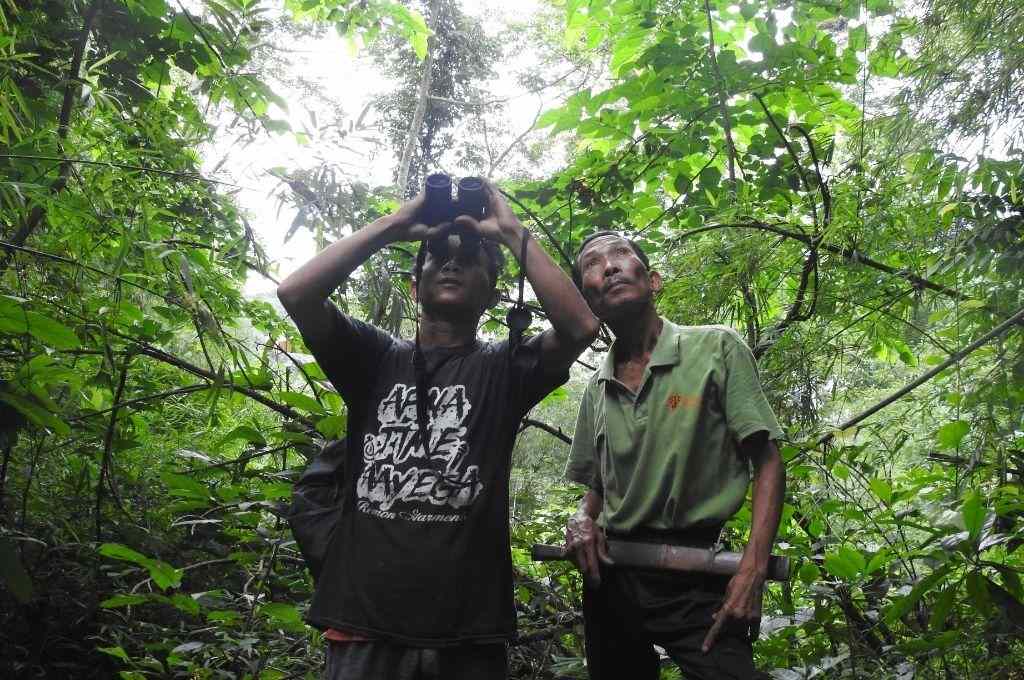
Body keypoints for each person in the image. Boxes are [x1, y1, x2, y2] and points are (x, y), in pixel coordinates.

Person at [277, 180, 598, 680]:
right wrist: (396, 226)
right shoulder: (372, 358)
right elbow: (296, 292)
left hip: (467, 627)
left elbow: (580, 327)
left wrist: (512, 232)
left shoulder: (504, 370)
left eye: (470, 259)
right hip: (364, 621)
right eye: (436, 258)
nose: (451, 264)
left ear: (493, 294)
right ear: (414, 286)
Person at [562, 231, 786, 680]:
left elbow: (767, 462)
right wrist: (582, 520)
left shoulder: (715, 349)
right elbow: (597, 491)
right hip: (612, 576)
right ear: (589, 303)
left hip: (699, 574)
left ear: (654, 279)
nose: (609, 267)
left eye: (621, 254)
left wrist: (752, 567)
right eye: (592, 264)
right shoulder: (596, 390)